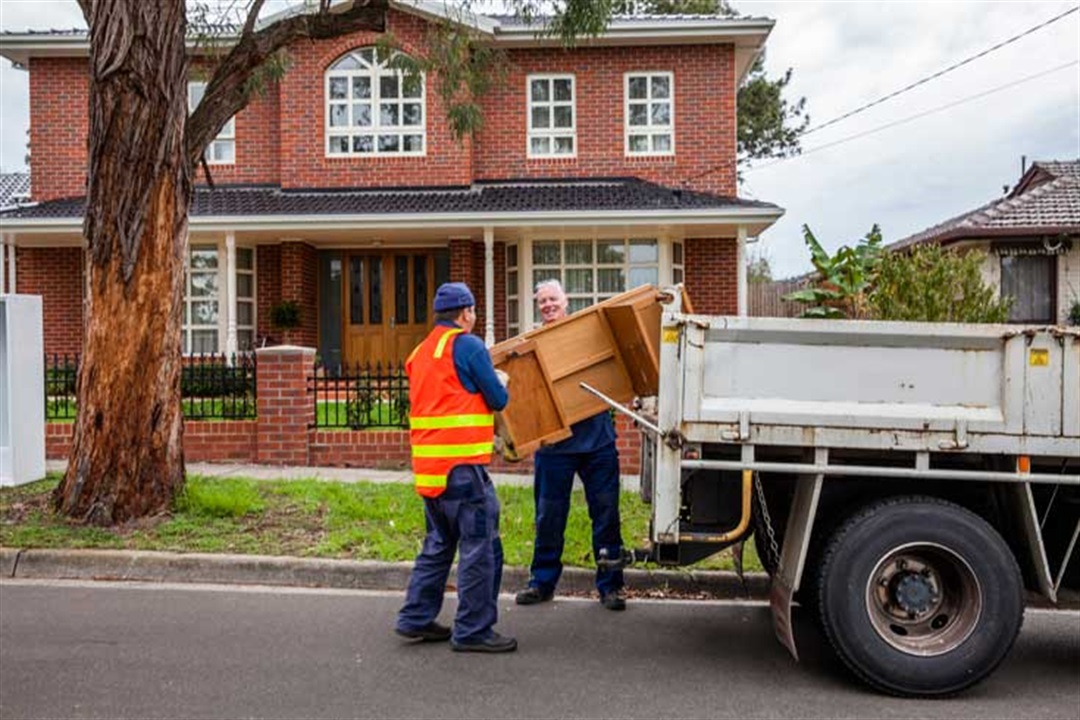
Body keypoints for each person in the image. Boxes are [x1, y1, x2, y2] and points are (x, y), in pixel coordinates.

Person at [395, 282, 517, 653]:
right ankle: (473, 629)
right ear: (465, 313)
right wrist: (499, 381)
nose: (475, 318)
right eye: (474, 312)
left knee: (438, 544)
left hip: (431, 471)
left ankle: (415, 618)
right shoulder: (468, 345)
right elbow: (497, 398)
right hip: (463, 470)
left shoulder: (419, 352)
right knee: (481, 547)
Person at [515, 279, 627, 611]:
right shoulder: (533, 345)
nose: (548, 305)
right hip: (555, 447)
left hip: (598, 444)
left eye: (552, 299)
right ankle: (542, 582)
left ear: (566, 301)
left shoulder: (587, 334)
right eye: (542, 302)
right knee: (549, 515)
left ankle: (611, 586)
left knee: (606, 514)